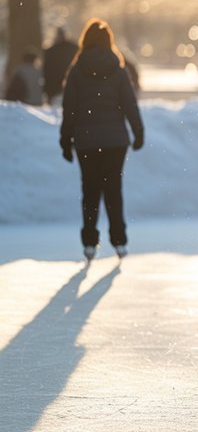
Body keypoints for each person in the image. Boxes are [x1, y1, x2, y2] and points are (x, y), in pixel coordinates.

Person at [59, 19, 144, 260]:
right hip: (115, 141)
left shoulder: (76, 72)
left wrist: (65, 140)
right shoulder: (118, 70)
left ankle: (88, 242)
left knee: (90, 190)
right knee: (113, 190)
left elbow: (70, 109)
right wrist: (138, 132)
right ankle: (119, 241)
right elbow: (130, 103)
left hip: (86, 140)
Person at [43, 27, 79, 105]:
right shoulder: (74, 49)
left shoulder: (50, 51)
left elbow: (47, 72)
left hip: (55, 89)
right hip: (71, 87)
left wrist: (47, 91)